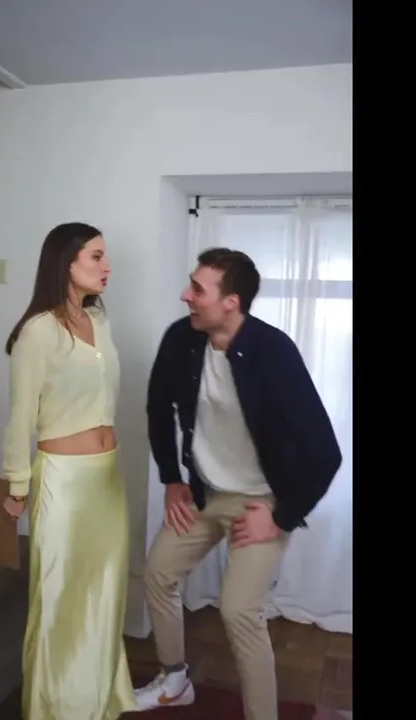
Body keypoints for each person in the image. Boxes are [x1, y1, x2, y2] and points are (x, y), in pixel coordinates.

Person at [133, 248, 343, 720]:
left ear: (231, 302)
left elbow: (326, 453)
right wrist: (171, 478)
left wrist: (282, 516)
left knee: (238, 610)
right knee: (159, 573)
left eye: (198, 289)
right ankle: (175, 681)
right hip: (206, 493)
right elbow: (157, 408)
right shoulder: (181, 339)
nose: (185, 295)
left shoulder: (274, 351)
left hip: (261, 503)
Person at [1, 222, 136, 720]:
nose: (107, 267)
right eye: (96, 256)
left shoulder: (100, 321)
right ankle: (53, 708)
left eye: (106, 256)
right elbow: (20, 416)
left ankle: (97, 700)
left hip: (107, 479)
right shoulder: (38, 331)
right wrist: (18, 486)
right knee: (59, 601)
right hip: (64, 482)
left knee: (105, 594)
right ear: (66, 261)